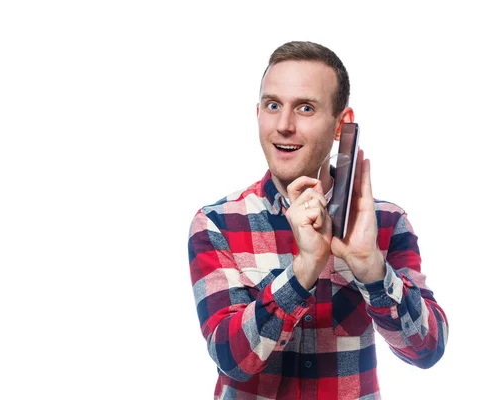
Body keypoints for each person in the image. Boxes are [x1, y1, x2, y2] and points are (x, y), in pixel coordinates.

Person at [187, 41, 448, 400]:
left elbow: (428, 350)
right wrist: (303, 271)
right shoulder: (217, 223)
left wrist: (371, 269)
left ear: (343, 124)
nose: (283, 125)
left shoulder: (386, 222)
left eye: (305, 108)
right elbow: (231, 359)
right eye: (272, 105)